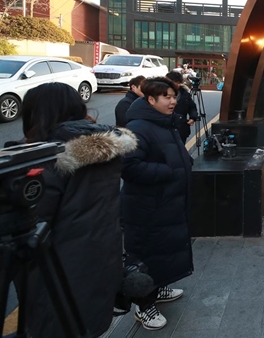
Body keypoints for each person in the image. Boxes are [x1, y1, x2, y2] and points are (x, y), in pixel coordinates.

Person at [14, 82, 137, 338]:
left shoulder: (46, 159)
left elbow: (27, 224)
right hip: (100, 261)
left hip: (55, 274)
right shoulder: (106, 151)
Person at [120, 77, 194, 330]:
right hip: (146, 207)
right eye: (167, 97)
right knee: (146, 254)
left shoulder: (164, 123)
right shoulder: (139, 127)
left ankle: (157, 288)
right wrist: (169, 172)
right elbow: (128, 167)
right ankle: (143, 306)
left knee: (163, 251)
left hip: (165, 203)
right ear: (151, 100)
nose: (173, 101)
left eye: (174, 96)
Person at [165, 71, 198, 143]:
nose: (177, 84)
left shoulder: (185, 94)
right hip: (166, 128)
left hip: (181, 128)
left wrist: (193, 117)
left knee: (181, 150)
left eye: (178, 82)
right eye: (174, 82)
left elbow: (192, 107)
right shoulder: (160, 93)